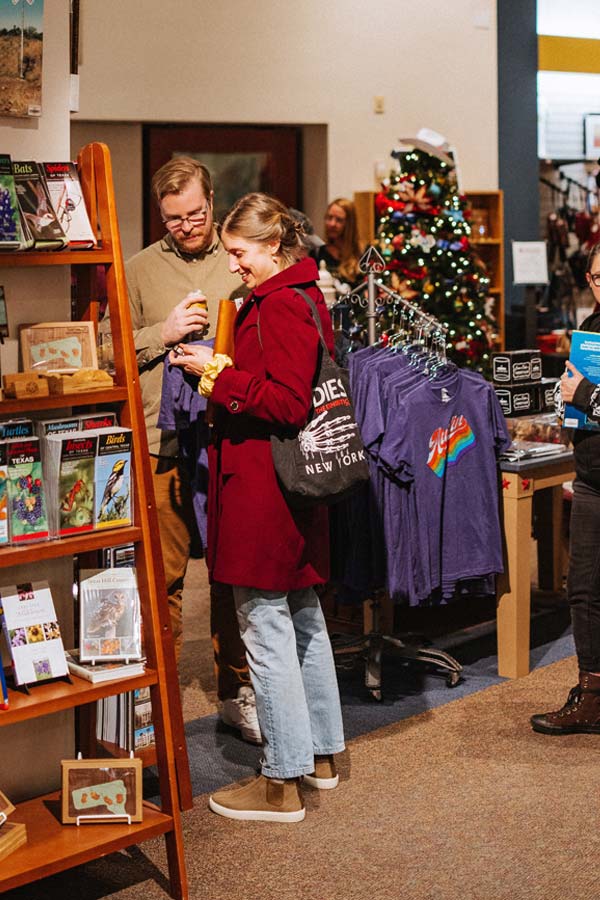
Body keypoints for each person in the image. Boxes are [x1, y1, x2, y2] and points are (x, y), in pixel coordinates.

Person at [169, 192, 345, 822]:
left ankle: (280, 780)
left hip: (263, 492)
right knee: (301, 617)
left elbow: (288, 402)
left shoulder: (279, 306)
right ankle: (320, 755)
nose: (233, 264)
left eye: (239, 253)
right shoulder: (303, 296)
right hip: (286, 488)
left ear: (272, 246)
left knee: (264, 625)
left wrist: (217, 377)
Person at [125, 156, 260, 744]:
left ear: (213, 198)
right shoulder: (135, 271)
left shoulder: (238, 260)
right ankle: (158, 707)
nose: (188, 225)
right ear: (160, 215)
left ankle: (237, 693)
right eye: (175, 218)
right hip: (163, 446)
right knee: (165, 582)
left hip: (230, 439)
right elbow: (107, 350)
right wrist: (165, 333)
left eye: (197, 212)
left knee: (233, 576)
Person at [531, 242, 600, 735]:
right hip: (593, 478)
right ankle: (592, 695)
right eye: (596, 276)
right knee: (584, 591)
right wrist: (568, 396)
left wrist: (589, 396)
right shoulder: (592, 328)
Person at [315, 197, 362, 289]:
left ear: (349, 224)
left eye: (339, 220)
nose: (332, 224)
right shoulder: (318, 251)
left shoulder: (361, 252)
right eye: (329, 218)